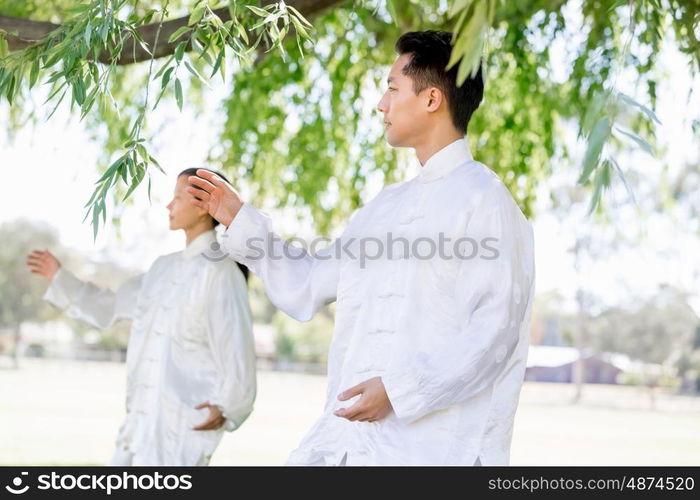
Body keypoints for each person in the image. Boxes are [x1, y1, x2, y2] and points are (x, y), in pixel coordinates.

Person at [187, 31, 535, 466]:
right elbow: (307, 285)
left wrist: (398, 391)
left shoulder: (487, 201)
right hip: (346, 446)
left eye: (392, 88)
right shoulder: (384, 207)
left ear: (431, 100)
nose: (381, 104)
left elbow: (493, 335)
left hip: (436, 453)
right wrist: (239, 219)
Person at [26, 168, 256, 466]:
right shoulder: (162, 269)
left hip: (183, 423)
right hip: (140, 420)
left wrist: (228, 406)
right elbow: (111, 305)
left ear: (203, 207)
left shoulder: (221, 272)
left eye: (176, 198)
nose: (169, 206)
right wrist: (61, 278)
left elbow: (236, 345)